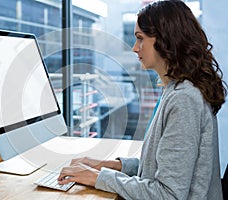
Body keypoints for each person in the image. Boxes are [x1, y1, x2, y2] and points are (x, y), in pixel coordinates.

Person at [58, 0, 227, 199]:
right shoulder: (176, 89)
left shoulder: (184, 100)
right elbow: (164, 167)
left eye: (140, 38)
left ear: (165, 40)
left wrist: (96, 177)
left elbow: (168, 194)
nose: (134, 48)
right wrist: (111, 165)